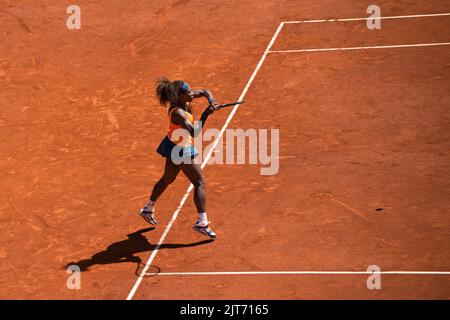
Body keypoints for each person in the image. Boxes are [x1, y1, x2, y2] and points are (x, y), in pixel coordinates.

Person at [139, 77, 219, 239]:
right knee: (199, 183)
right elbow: (195, 133)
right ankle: (202, 223)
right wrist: (205, 115)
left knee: (167, 179)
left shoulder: (183, 98)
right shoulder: (179, 114)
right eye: (188, 92)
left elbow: (204, 92)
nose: (192, 94)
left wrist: (212, 100)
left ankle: (148, 209)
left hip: (173, 144)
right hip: (180, 149)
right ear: (179, 96)